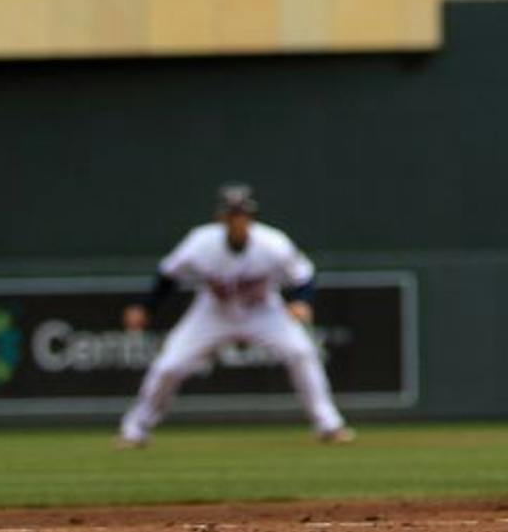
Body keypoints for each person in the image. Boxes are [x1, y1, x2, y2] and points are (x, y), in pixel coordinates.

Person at [115, 185, 351, 448]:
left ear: (251, 217)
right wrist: (146, 307)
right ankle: (135, 430)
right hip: (213, 312)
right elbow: (169, 276)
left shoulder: (272, 243)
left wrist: (301, 301)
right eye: (233, 214)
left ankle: (329, 425)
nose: (238, 220)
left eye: (243, 214)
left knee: (301, 352)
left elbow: (303, 276)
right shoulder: (200, 242)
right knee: (169, 366)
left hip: (264, 311)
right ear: (222, 218)